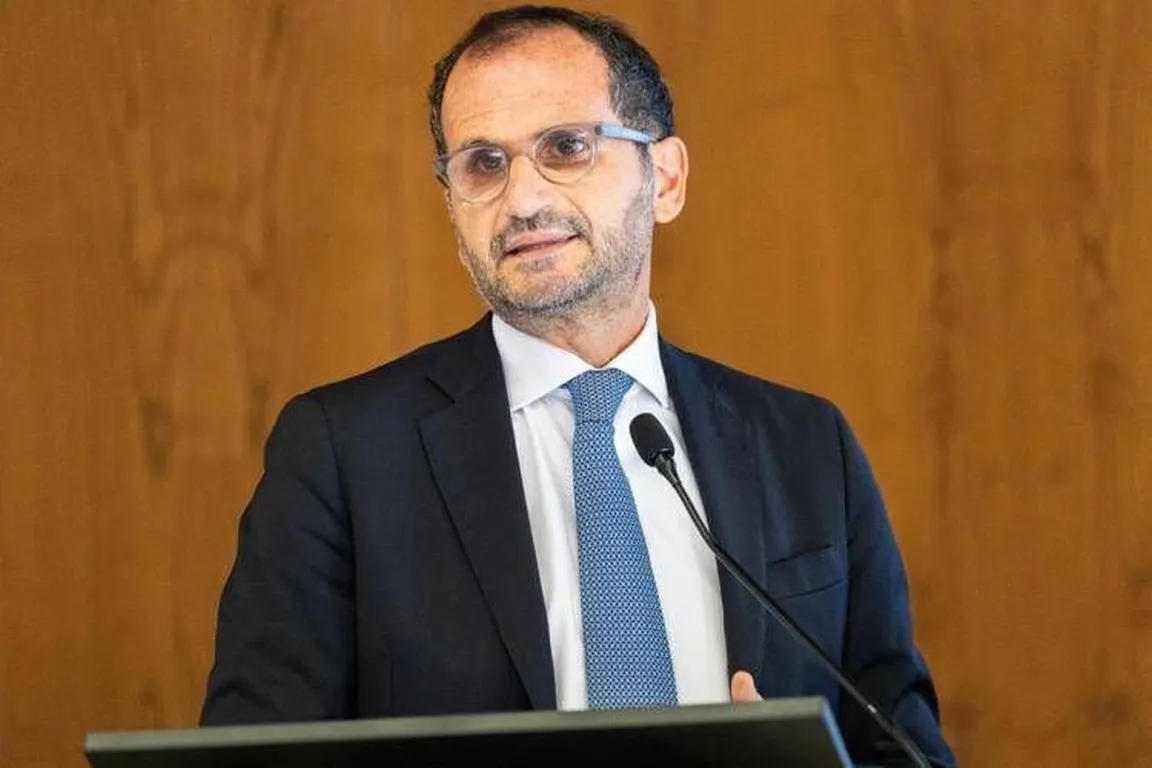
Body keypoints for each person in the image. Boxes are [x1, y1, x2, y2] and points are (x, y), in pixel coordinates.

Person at [200, 5, 956, 765]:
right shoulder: (344, 454)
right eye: (484, 164)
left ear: (665, 179)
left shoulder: (807, 446)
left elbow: (907, 749)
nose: (522, 200)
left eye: (566, 147)